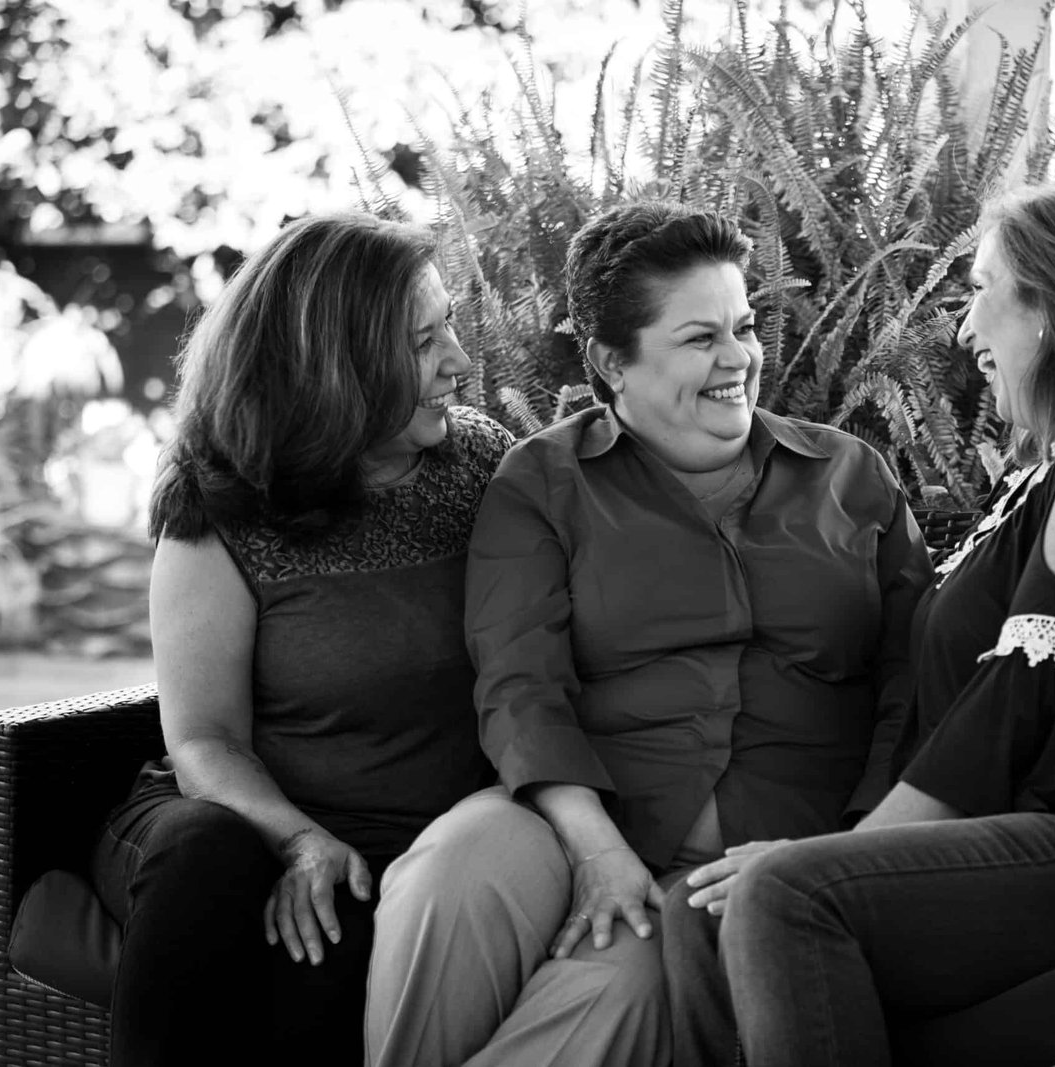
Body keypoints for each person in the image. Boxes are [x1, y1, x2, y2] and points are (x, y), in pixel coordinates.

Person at [362, 200, 935, 1067]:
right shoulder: (542, 482)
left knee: (616, 988)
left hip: (765, 859)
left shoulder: (850, 476)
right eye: (701, 338)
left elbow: (913, 687)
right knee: (450, 868)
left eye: (744, 327)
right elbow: (521, 686)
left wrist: (845, 855)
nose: (739, 358)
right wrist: (599, 852)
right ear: (609, 360)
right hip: (582, 821)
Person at [718, 182, 1055, 1067]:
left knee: (786, 894)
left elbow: (1026, 699)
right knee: (696, 906)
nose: (964, 329)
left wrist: (840, 854)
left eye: (980, 289)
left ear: (1053, 303)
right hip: (1030, 832)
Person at [87, 211, 513, 1067]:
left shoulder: (483, 466)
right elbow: (203, 739)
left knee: (324, 962)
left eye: (452, 326)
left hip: (409, 850)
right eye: (423, 342)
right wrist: (299, 839)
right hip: (229, 823)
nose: (461, 363)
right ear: (336, 365)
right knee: (208, 854)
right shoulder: (221, 506)